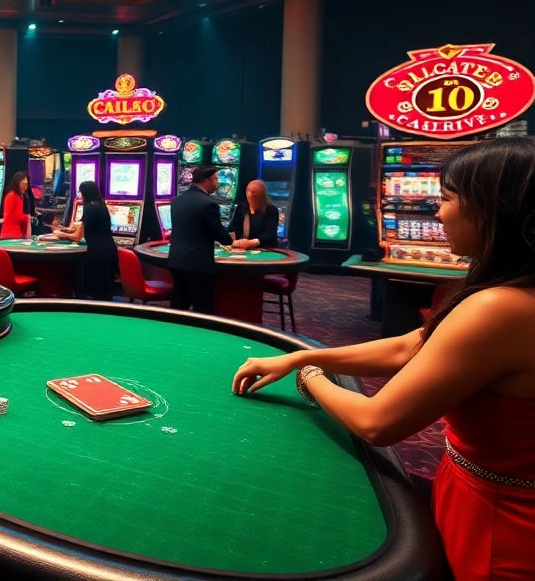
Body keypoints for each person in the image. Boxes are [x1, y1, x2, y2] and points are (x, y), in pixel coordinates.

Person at [232, 137, 535, 581]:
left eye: (447, 198)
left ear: (493, 211)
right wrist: (301, 356)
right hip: (477, 485)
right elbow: (412, 343)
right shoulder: (512, 289)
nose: (437, 212)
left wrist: (310, 375)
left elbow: (379, 422)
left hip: (501, 521)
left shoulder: (500, 308)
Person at [167, 165, 233, 313]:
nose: (218, 182)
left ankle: (173, 335)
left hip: (177, 260)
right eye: (215, 179)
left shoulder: (177, 200)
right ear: (207, 180)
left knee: (178, 307)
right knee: (203, 310)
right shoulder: (209, 204)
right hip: (198, 265)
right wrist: (232, 240)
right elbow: (223, 238)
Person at [53, 181, 118, 301]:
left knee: (95, 291)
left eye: (80, 192)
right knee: (105, 290)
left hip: (98, 252)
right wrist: (66, 230)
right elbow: (81, 227)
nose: (79, 195)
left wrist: (60, 234)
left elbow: (78, 236)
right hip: (108, 249)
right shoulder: (100, 205)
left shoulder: (90, 208)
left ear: (86, 193)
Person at [227, 179, 280, 249]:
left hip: (265, 249)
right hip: (244, 249)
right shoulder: (241, 208)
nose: (249, 195)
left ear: (261, 195)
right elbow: (233, 227)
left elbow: (270, 234)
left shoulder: (271, 210)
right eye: (248, 192)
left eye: (254, 193)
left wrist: (252, 242)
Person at [0, 171, 31, 239]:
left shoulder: (20, 196)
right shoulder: (11, 196)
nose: (25, 188)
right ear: (17, 183)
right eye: (23, 184)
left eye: (26, 184)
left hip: (17, 232)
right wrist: (26, 217)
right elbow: (7, 217)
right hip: (9, 233)